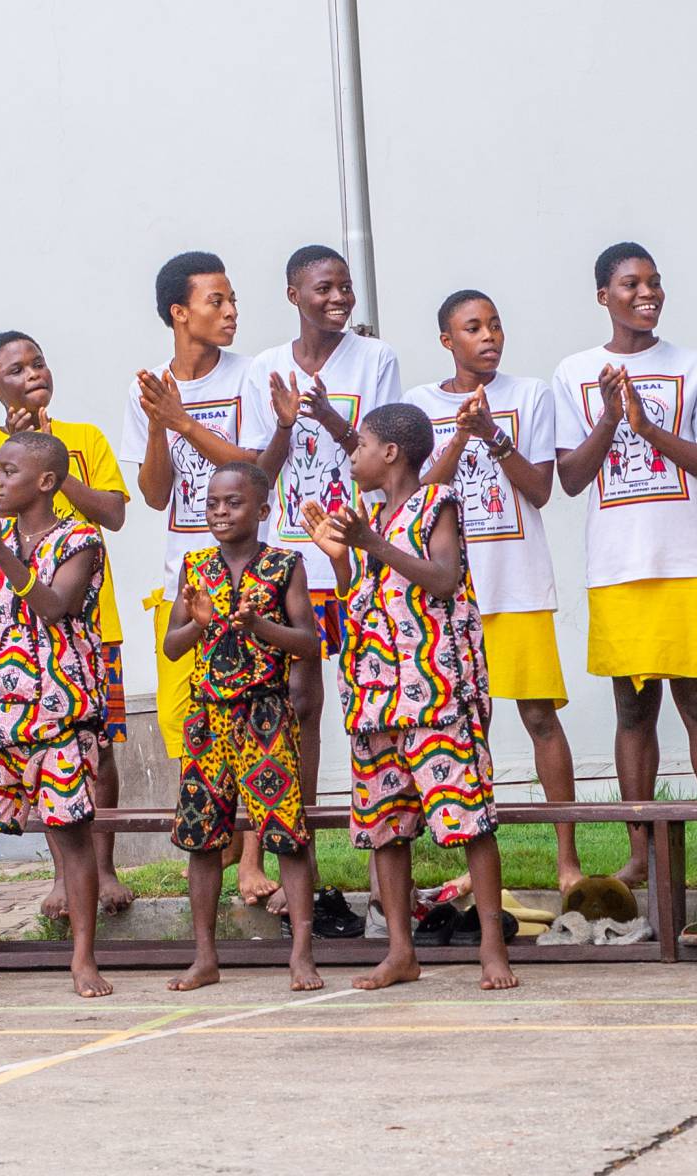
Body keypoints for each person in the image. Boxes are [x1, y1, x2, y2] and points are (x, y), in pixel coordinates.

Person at [301, 403, 516, 992]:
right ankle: (401, 950)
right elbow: (361, 599)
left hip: (436, 695)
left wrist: (372, 542)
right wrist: (343, 560)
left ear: (391, 453)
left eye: (361, 446)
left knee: (469, 819)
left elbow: (443, 579)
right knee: (387, 827)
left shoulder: (435, 503)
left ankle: (492, 948)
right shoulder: (370, 518)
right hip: (374, 699)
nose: (353, 456)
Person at [551, 242, 697, 891]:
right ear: (602, 295)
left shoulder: (694, 366)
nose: (647, 293)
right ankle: (641, 853)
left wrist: (648, 427)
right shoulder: (574, 372)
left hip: (687, 557)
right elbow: (571, 478)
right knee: (633, 710)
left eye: (654, 282)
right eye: (631, 283)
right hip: (617, 565)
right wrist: (611, 418)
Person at [243, 243, 402, 932]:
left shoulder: (375, 359)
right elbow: (259, 471)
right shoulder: (263, 368)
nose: (338, 298)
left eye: (345, 287)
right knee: (297, 702)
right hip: (292, 560)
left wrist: (330, 416)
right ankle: (292, 850)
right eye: (323, 288)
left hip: (355, 553)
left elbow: (388, 455)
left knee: (372, 701)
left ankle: (384, 863)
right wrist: (286, 423)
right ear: (293, 295)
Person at [406, 290, 582, 895]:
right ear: (447, 340)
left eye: (496, 325)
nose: (489, 337)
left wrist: (494, 437)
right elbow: (416, 498)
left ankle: (566, 859)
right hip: (445, 597)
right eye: (473, 327)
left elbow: (540, 490)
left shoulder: (529, 394)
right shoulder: (419, 404)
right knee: (463, 726)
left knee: (539, 716)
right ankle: (476, 858)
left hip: (518, 584)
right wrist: (460, 437)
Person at [0, 432, 113, 1000]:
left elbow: (54, 606)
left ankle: (83, 959)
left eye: (9, 471)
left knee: (71, 835)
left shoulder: (80, 540)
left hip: (60, 713)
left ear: (46, 481)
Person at [0, 331, 132, 919]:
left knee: (99, 748)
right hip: (16, 641)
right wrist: (22, 457)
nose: (33, 373)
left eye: (38, 362)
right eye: (16, 370)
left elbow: (112, 513)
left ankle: (102, 868)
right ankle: (63, 877)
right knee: (40, 764)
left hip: (88, 627)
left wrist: (52, 456)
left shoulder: (84, 438)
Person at [159, 463, 322, 993]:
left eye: (233, 503)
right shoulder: (195, 567)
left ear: (262, 510)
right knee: (202, 839)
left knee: (286, 835)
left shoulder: (284, 565)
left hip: (265, 717)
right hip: (207, 720)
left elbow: (309, 642)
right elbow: (172, 647)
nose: (221, 512)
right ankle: (205, 957)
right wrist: (199, 622)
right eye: (212, 503)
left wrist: (259, 625)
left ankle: (301, 955)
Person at [120, 252, 261, 799]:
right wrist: (160, 426)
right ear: (179, 312)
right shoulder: (148, 388)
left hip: (249, 573)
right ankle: (207, 831)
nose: (231, 312)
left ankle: (251, 844)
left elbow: (253, 472)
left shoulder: (250, 375)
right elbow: (155, 496)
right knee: (181, 718)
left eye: (233, 301)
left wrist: (182, 421)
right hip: (183, 576)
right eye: (216, 301)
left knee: (252, 714)